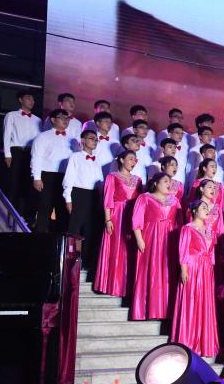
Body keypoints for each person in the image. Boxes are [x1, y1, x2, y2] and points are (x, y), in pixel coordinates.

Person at [130, 174, 181, 320]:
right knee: (150, 270)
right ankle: (148, 310)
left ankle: (167, 311)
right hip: (151, 237)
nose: (169, 184)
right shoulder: (145, 198)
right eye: (165, 181)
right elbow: (137, 220)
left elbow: (179, 222)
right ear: (155, 183)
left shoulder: (175, 201)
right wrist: (139, 239)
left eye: (170, 182)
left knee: (168, 271)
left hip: (170, 239)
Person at [172, 199, 219, 357]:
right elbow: (183, 250)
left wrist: (210, 268)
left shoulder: (210, 231)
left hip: (206, 269)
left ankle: (205, 343)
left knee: (205, 302)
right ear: (194, 211)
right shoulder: (187, 228)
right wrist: (184, 269)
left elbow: (212, 253)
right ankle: (188, 340)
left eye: (207, 208)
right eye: (203, 208)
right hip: (193, 267)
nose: (207, 210)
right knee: (191, 300)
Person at [94, 151, 143, 297]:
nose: (133, 162)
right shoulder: (112, 177)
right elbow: (108, 200)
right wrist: (108, 219)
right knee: (117, 248)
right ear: (121, 160)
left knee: (130, 249)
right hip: (118, 215)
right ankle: (114, 285)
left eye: (135, 160)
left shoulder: (138, 180)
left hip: (132, 216)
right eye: (130, 159)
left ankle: (128, 287)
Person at [63, 130, 105, 271]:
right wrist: (68, 199)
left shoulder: (97, 160)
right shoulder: (75, 157)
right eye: (91, 138)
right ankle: (69, 261)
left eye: (96, 139)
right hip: (79, 194)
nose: (94, 141)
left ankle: (86, 263)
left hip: (94, 196)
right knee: (75, 228)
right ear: (83, 140)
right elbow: (68, 178)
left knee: (90, 230)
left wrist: (101, 200)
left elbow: (100, 182)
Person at [31, 109, 75, 232]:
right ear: (53, 120)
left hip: (65, 177)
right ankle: (40, 239)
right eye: (62, 117)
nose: (66, 120)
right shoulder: (43, 136)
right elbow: (36, 157)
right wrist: (36, 178)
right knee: (45, 209)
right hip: (47, 176)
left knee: (63, 211)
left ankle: (59, 240)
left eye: (67, 118)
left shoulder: (72, 139)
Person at [3, 89, 40, 220]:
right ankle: (10, 213)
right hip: (16, 151)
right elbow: (6, 135)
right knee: (14, 183)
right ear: (20, 100)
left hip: (31, 153)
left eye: (33, 99)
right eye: (28, 98)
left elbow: (39, 140)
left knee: (28, 184)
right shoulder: (11, 115)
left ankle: (25, 216)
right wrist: (7, 154)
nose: (32, 101)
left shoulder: (37, 120)